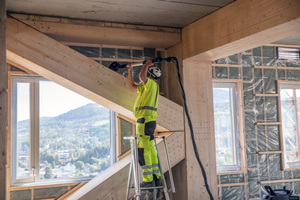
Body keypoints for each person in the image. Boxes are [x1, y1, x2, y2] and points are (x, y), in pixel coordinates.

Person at [128, 59, 162, 188]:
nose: (144, 78)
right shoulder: (147, 88)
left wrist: (147, 64)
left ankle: (148, 180)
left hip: (144, 121)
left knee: (144, 151)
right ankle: (156, 178)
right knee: (150, 149)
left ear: (150, 75)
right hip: (148, 121)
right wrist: (130, 70)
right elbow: (132, 86)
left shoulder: (151, 85)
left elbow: (142, 76)